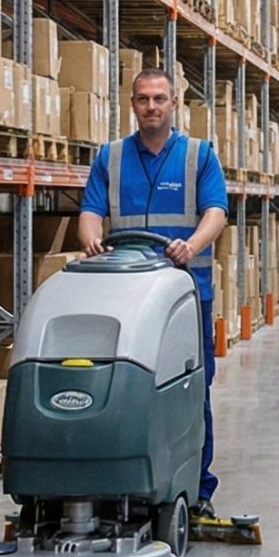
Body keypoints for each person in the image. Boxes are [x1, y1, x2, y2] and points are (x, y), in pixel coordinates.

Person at [79, 68, 231, 513]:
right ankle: (125, 479)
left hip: (186, 296)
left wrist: (194, 244)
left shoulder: (199, 156)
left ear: (174, 103)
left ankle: (197, 489)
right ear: (131, 104)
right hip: (126, 297)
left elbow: (216, 211)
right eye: (143, 99)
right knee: (125, 387)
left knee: (190, 391)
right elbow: (90, 210)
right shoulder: (110, 157)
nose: (151, 107)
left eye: (160, 99)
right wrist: (89, 236)